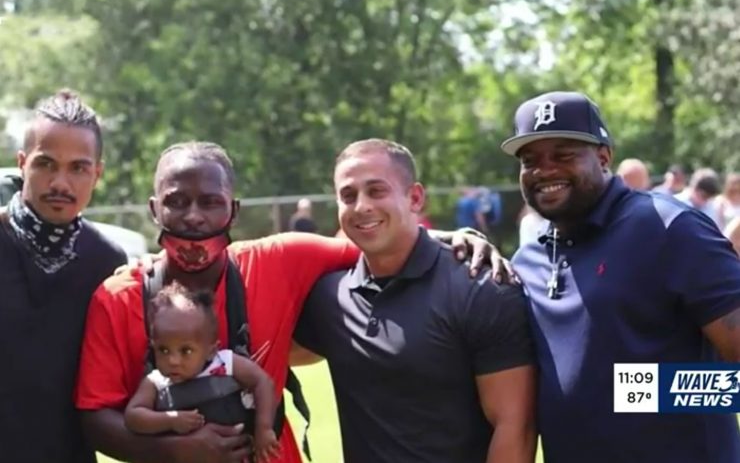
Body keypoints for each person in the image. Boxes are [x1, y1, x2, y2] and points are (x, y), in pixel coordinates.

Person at [75, 141, 507, 463]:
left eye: (211, 202)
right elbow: (95, 419)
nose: (193, 216)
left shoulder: (280, 260)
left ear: (235, 210)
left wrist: (456, 239)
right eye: (176, 202)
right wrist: (178, 450)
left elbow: (380, 241)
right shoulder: (118, 298)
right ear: (154, 209)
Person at [501, 90, 740, 463]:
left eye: (563, 154)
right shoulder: (526, 258)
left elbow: (732, 385)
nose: (544, 170)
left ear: (603, 156)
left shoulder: (667, 227)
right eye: (530, 160)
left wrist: (638, 390)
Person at [292, 139, 537, 463]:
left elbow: (515, 427)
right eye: (348, 196)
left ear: (415, 197)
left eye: (376, 191)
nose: (361, 206)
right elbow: (270, 352)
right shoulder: (330, 297)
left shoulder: (481, 287)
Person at [0, 89, 128, 463]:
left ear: (97, 174)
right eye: (46, 164)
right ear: (22, 163)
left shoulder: (108, 263)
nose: (60, 183)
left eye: (78, 168)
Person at [124, 283, 280, 462]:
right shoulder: (156, 382)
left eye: (186, 351)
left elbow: (262, 382)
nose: (173, 361)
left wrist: (264, 428)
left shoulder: (224, 363)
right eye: (163, 350)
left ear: (211, 350)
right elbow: (133, 416)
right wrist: (170, 420)